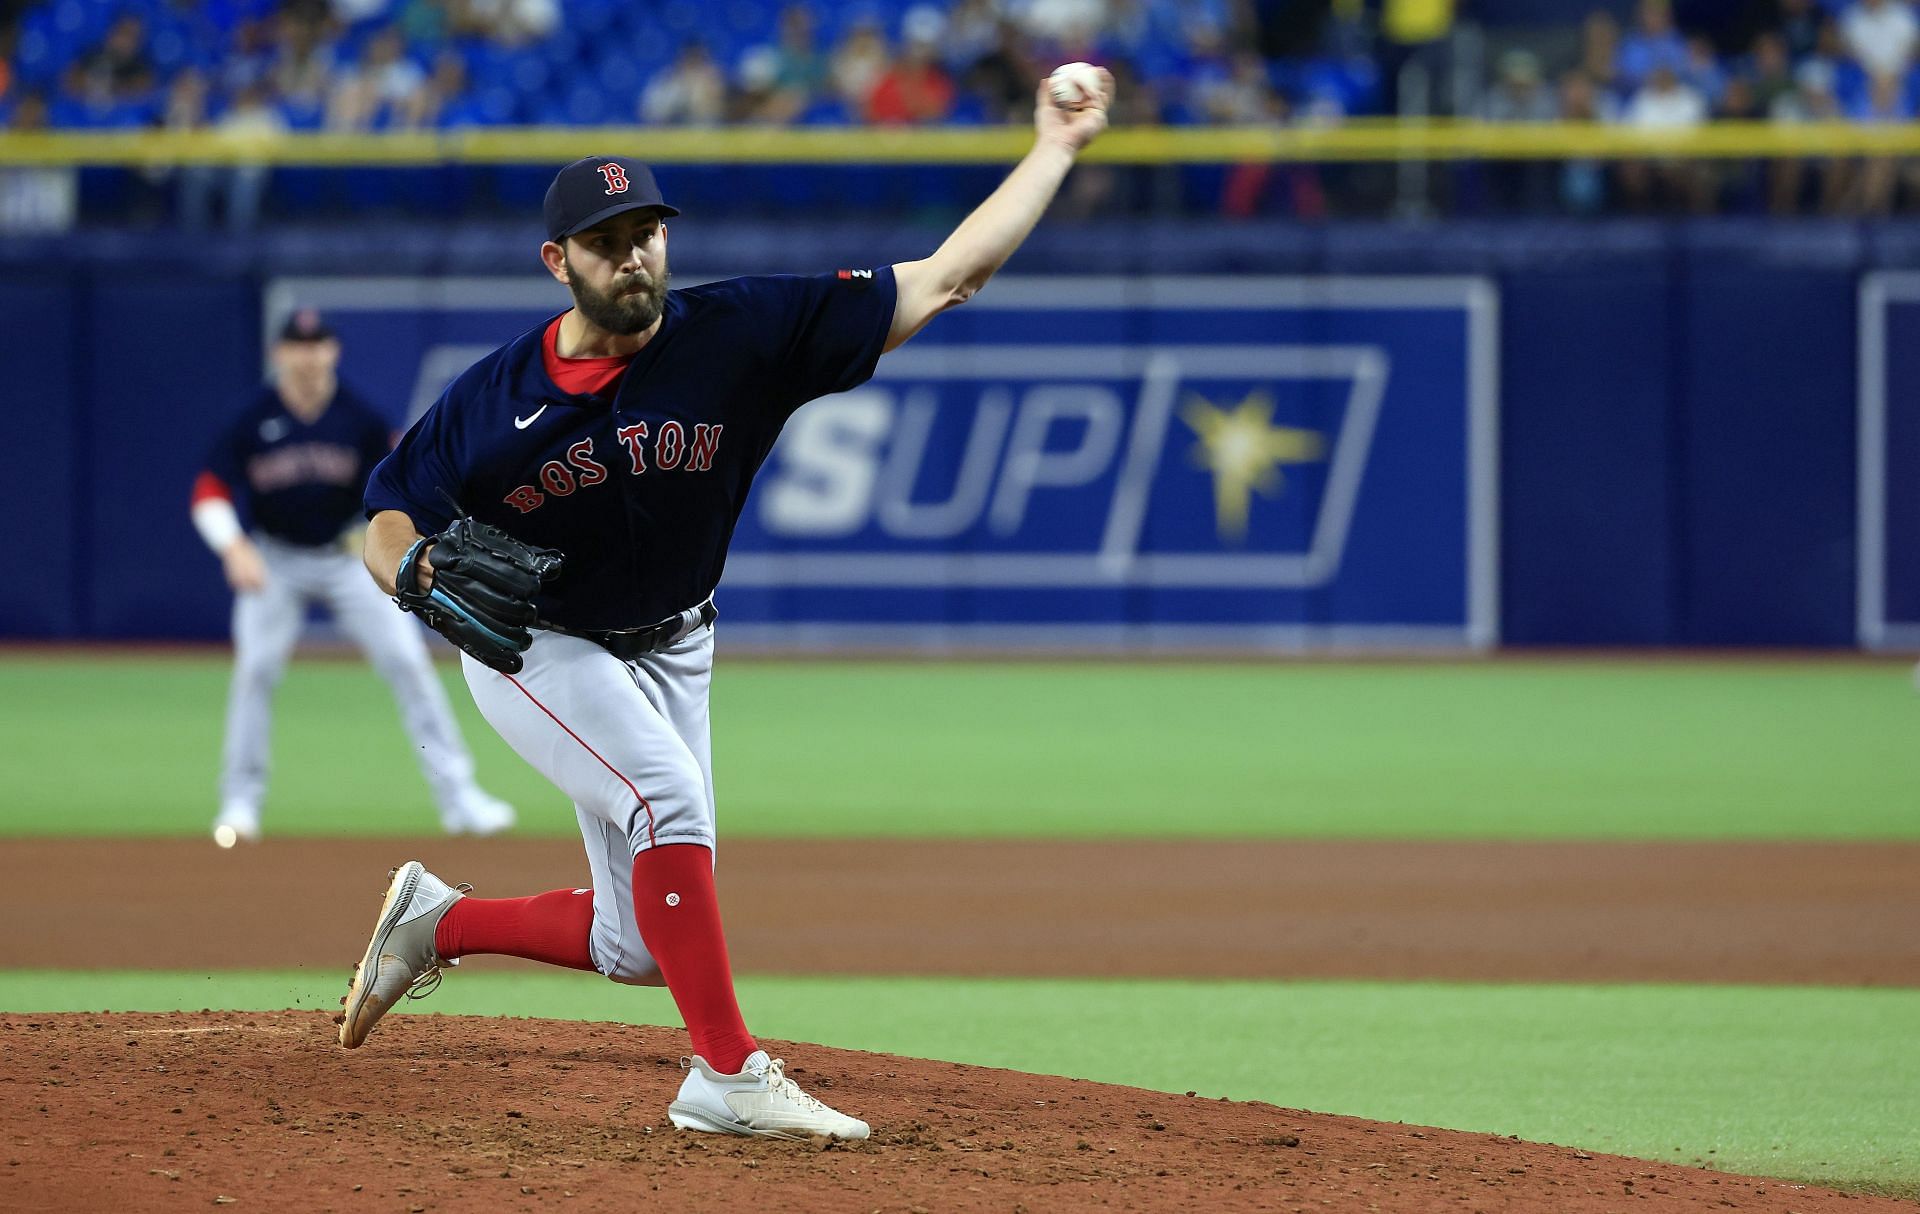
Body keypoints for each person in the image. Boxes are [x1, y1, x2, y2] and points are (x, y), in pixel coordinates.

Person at [337, 69, 1116, 1141]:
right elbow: (385, 511)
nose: (637, 253)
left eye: (649, 229)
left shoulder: (741, 330)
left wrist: (1056, 150)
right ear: (559, 263)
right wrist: (414, 567)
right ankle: (727, 1072)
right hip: (541, 647)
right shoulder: (491, 401)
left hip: (677, 639)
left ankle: (440, 922)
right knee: (668, 799)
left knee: (637, 945)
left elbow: (945, 279)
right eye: (609, 239)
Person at [194, 310, 517, 847]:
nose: (308, 354)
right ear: (279, 354)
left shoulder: (358, 416)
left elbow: (398, 483)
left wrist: (383, 539)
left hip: (347, 559)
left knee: (409, 664)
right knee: (255, 671)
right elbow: (209, 490)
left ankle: (460, 798)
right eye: (298, 345)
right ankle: (240, 802)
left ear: (333, 352)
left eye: (318, 344)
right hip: (275, 560)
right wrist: (232, 546)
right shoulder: (252, 418)